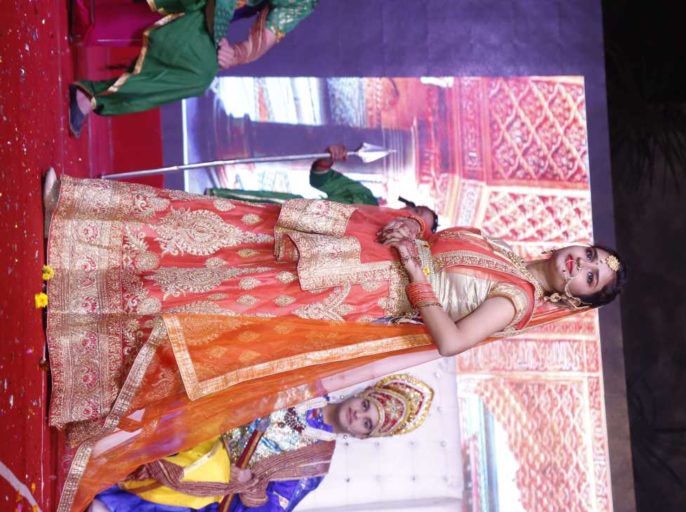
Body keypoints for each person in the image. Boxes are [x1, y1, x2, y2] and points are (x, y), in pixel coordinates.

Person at [42, 169, 626, 511]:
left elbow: (450, 341)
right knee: (228, 236)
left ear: (575, 298)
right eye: (590, 254)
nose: (581, 263)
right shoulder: (505, 253)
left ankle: (84, 320)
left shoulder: (516, 300)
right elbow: (443, 251)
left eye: (590, 276)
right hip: (350, 254)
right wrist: (416, 227)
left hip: (356, 297)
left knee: (218, 298)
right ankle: (83, 230)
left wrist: (412, 265)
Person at [88, 373, 433, 512]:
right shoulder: (310, 383)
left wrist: (248, 486)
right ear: (363, 394)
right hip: (203, 421)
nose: (359, 415)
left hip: (213, 476)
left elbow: (266, 508)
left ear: (362, 436)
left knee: (211, 469)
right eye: (367, 406)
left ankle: (113, 501)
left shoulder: (314, 465)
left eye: (367, 424)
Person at [69, 0, 318, 137]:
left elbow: (265, 37)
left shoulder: (303, 2)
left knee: (200, 72)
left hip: (209, 14)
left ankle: (89, 97)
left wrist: (235, 54)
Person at [206, 144, 439, 232]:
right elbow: (321, 178)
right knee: (206, 212)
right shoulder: (364, 198)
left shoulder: (380, 252)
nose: (410, 217)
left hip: (283, 248)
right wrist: (329, 159)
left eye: (418, 224)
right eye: (416, 211)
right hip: (279, 210)